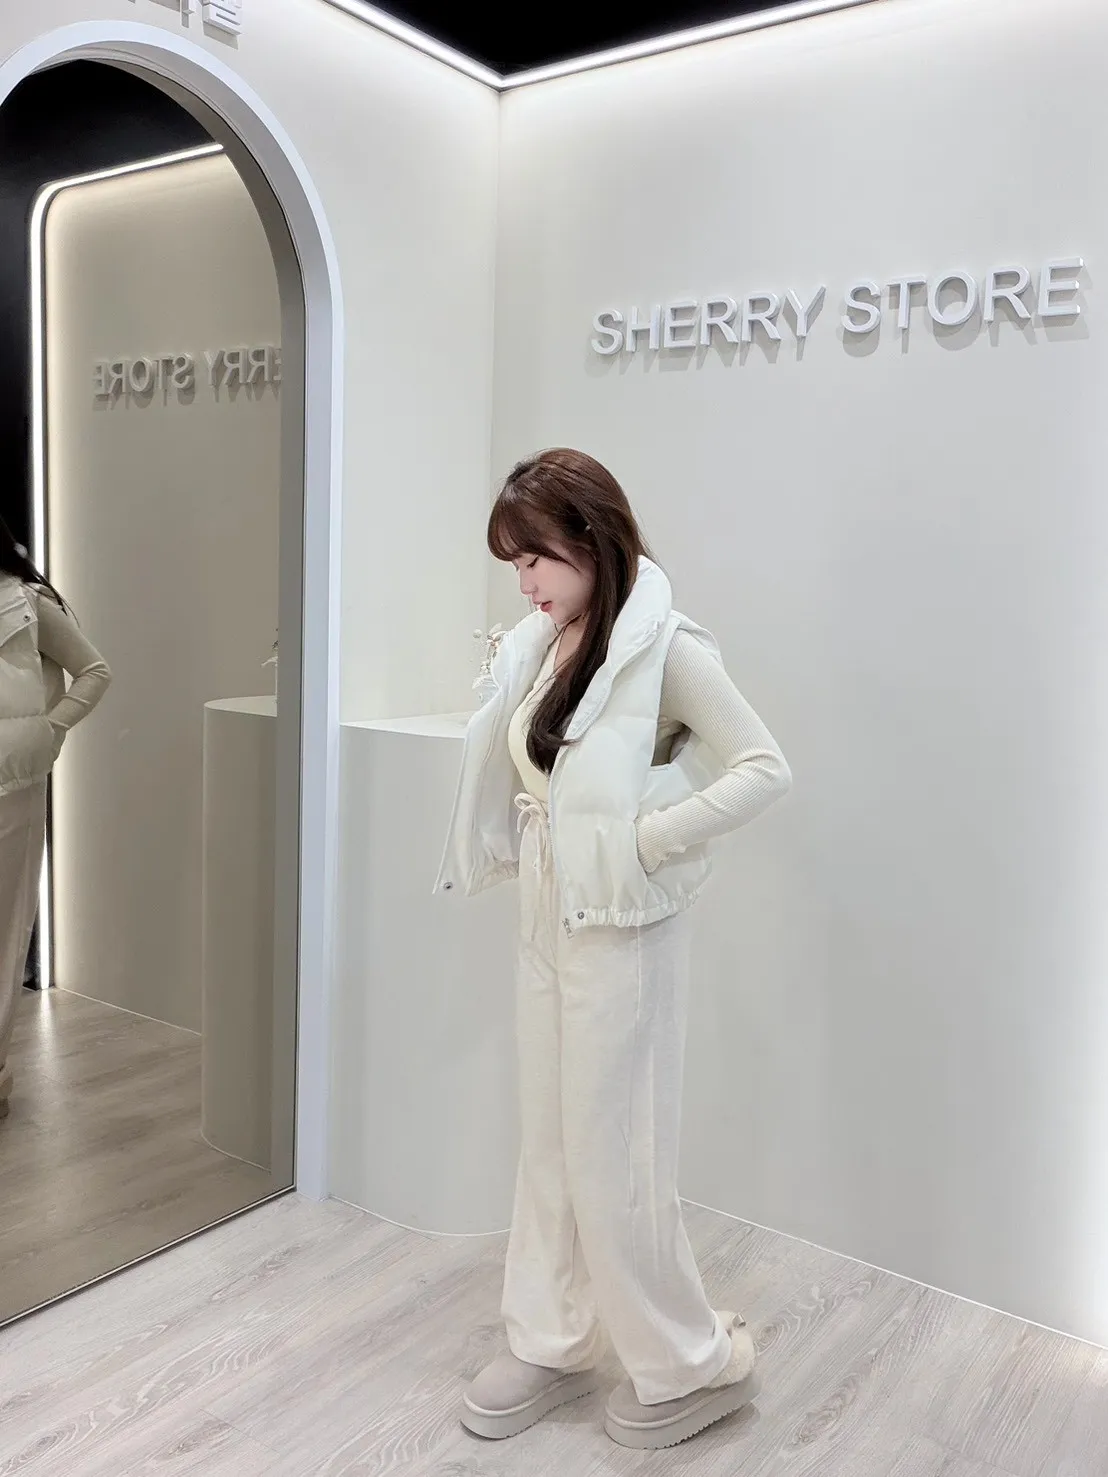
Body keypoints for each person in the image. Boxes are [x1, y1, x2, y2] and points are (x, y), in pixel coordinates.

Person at [435, 448, 791, 1450]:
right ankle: (550, 1339)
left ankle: (689, 1361)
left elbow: (763, 766)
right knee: (550, 1144)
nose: (523, 583)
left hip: (626, 927)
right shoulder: (547, 640)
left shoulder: (666, 645)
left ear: (590, 539)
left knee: (615, 1158)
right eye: (514, 565)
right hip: (548, 913)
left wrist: (647, 836)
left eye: (534, 558)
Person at [0, 518, 111, 1119]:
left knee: (5, 925)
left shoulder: (26, 599)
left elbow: (94, 670)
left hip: (12, 783)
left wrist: (51, 729)